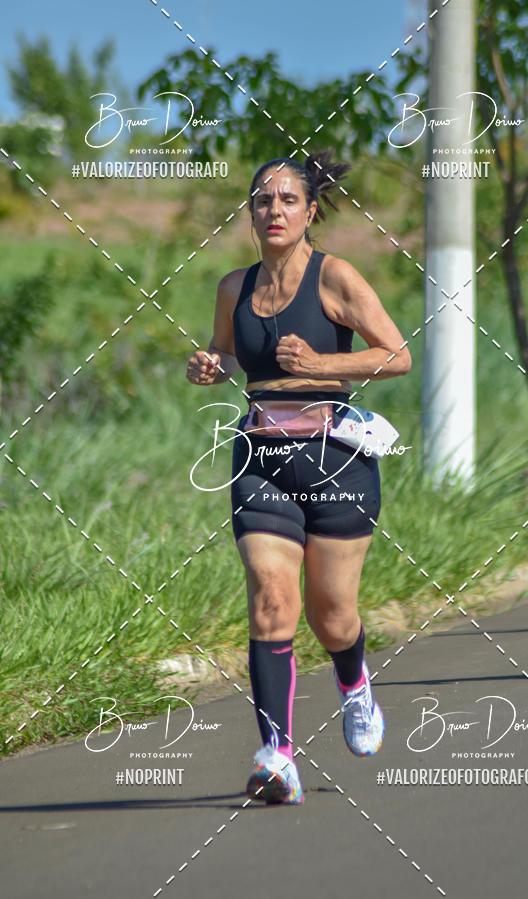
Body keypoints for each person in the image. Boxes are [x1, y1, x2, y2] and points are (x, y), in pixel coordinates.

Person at [186, 150, 411, 804]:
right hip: (260, 458)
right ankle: (276, 756)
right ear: (251, 214)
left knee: (332, 615)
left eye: (288, 200)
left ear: (312, 211)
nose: (274, 210)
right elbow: (232, 355)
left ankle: (354, 683)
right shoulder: (235, 286)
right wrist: (212, 365)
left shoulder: (336, 277)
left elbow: (396, 354)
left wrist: (318, 362)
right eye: (263, 200)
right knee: (270, 598)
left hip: (336, 463)